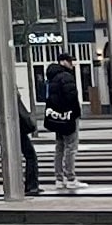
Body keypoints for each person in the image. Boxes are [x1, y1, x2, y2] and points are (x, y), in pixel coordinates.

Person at [43, 59, 84, 193]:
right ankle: (71, 178)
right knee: (71, 147)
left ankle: (59, 179)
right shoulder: (66, 77)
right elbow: (71, 97)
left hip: (57, 118)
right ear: (65, 62)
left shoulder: (52, 78)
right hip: (68, 117)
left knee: (59, 147)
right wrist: (75, 113)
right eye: (71, 62)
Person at [14, 87, 47, 195]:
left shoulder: (1, 95)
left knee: (18, 156)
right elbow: (22, 113)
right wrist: (30, 125)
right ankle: (31, 185)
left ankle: (21, 185)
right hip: (18, 129)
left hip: (12, 129)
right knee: (31, 156)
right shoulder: (11, 94)